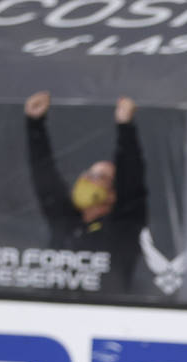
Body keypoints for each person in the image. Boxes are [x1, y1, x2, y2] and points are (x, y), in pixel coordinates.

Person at [24, 91, 148, 294]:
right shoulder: (66, 221)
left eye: (99, 177)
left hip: (105, 313)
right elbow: (43, 175)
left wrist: (125, 127)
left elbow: (132, 181)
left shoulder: (124, 226)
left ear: (113, 194)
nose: (87, 180)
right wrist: (35, 124)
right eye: (88, 174)